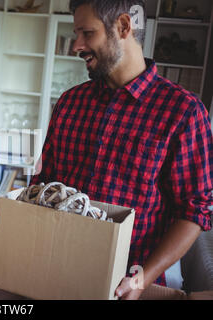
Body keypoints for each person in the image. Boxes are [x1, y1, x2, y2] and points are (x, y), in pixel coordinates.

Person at [31, 0, 213, 300]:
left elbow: (194, 212)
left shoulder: (184, 112)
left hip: (132, 278)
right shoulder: (69, 103)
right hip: (57, 267)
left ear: (124, 27)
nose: (76, 45)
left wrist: (142, 279)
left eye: (87, 33)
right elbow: (43, 185)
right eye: (76, 33)